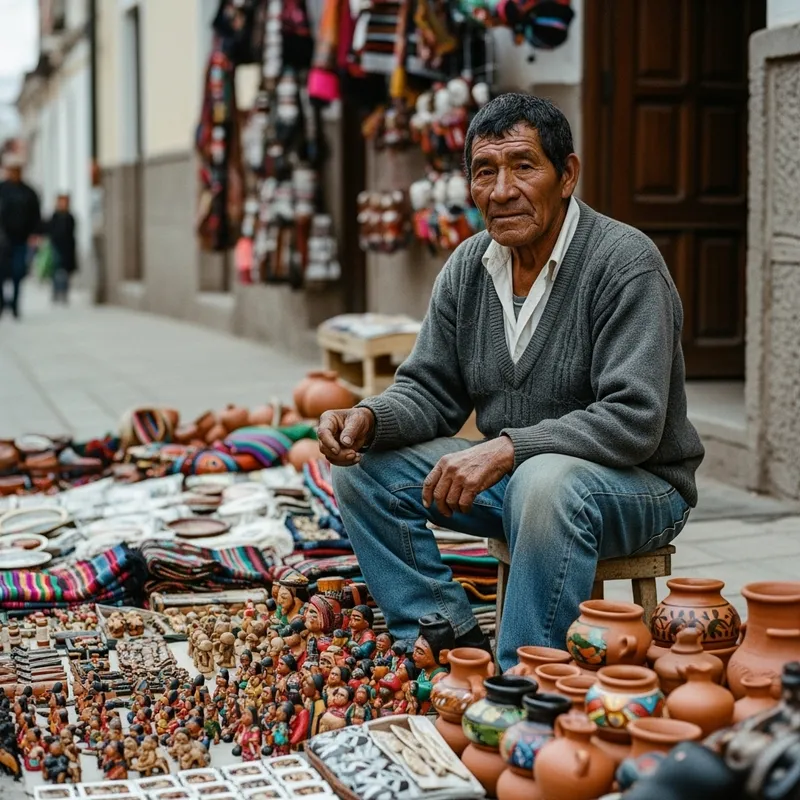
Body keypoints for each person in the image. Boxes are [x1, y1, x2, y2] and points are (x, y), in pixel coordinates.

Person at [319, 93, 705, 672]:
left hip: (640, 487)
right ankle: (450, 640)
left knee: (545, 484)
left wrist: (510, 448)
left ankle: (522, 681)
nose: (501, 190)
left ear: (566, 174)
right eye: (484, 172)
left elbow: (635, 420)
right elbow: (431, 389)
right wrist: (369, 417)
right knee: (366, 471)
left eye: (523, 166)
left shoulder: (626, 263)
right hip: (522, 481)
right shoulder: (469, 265)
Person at [0, 157, 41, 319]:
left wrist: (34, 234)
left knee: (18, 271)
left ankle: (16, 304)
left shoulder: (29, 192)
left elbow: (36, 216)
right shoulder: (2, 190)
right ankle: (2, 302)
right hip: (2, 240)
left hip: (21, 239)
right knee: (1, 273)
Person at [48, 193, 77, 304]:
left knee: (66, 272)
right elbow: (50, 230)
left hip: (68, 248)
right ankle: (56, 292)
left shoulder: (70, 217)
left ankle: (64, 293)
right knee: (56, 271)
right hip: (56, 247)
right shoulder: (55, 216)